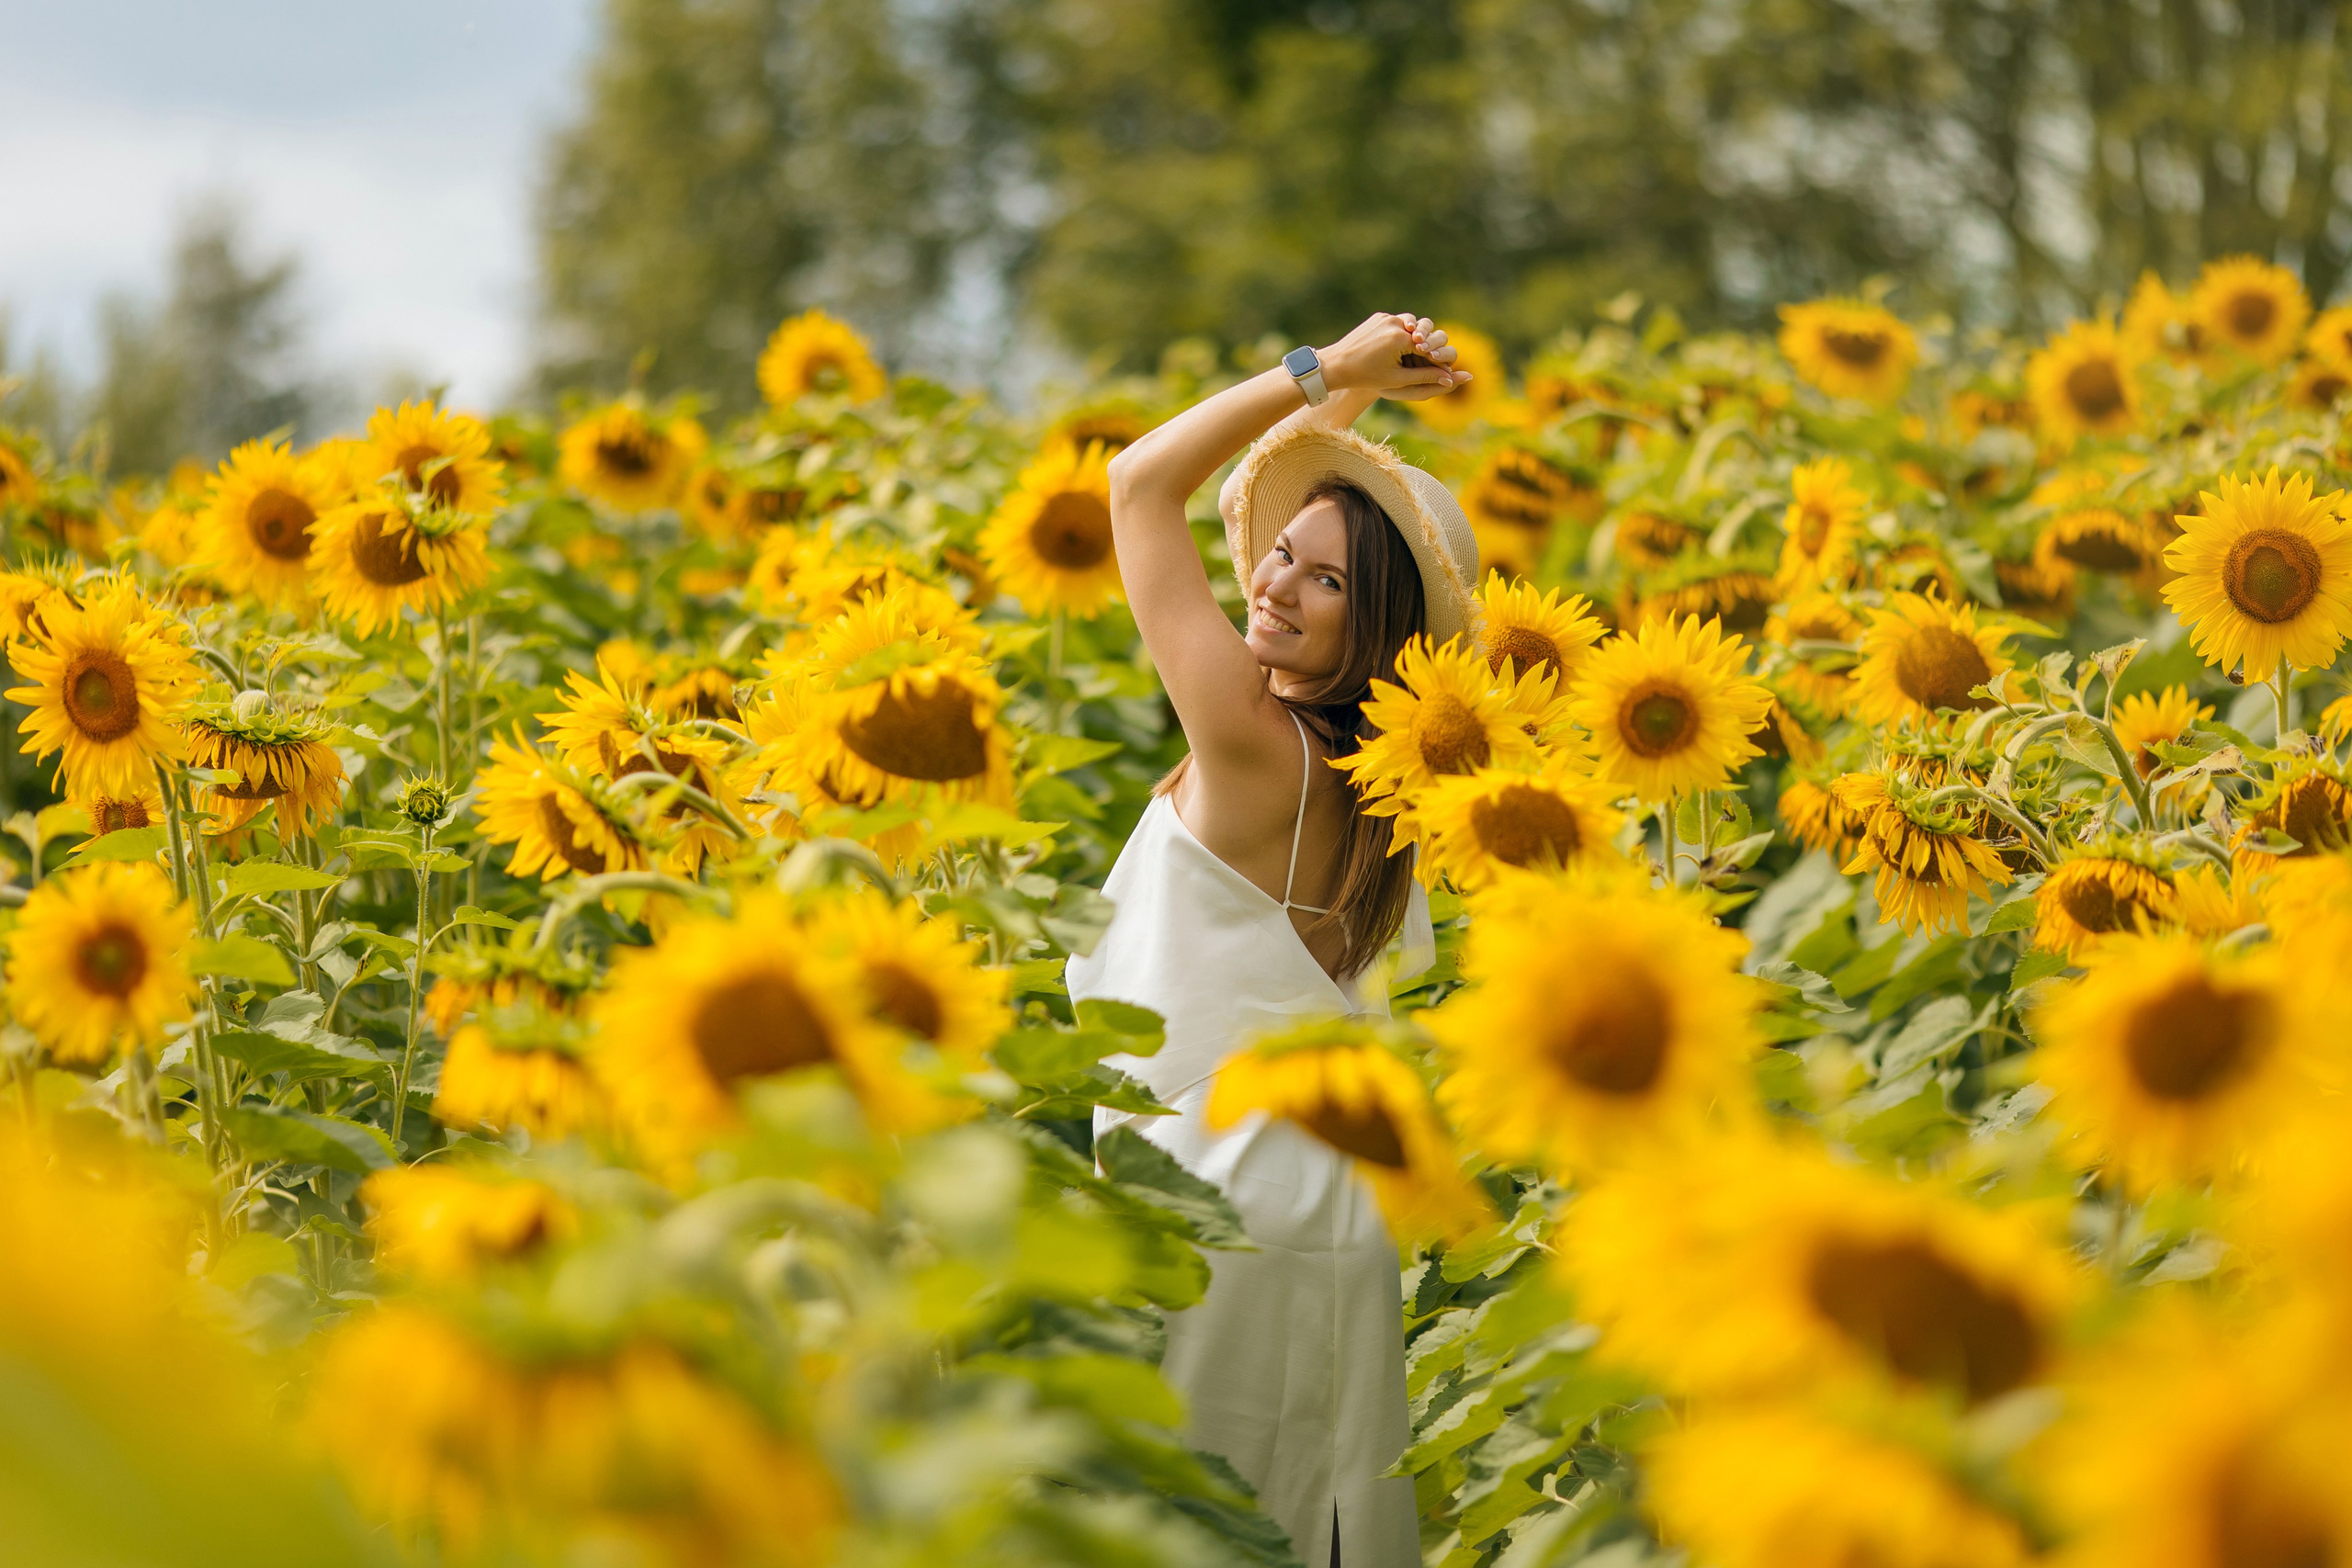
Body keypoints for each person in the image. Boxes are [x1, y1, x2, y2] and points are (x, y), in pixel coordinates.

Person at [1067, 313, 1479, 1568]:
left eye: (1326, 581)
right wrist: (1346, 424)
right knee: (1320, 1522)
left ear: (1377, 631)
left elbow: (1138, 481)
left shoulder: (1250, 744)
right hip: (1332, 1204)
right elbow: (1254, 506)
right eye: (1280, 556)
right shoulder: (1384, 783)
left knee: (1191, 1531)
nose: (1272, 584)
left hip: (1210, 1194)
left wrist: (1322, 372)